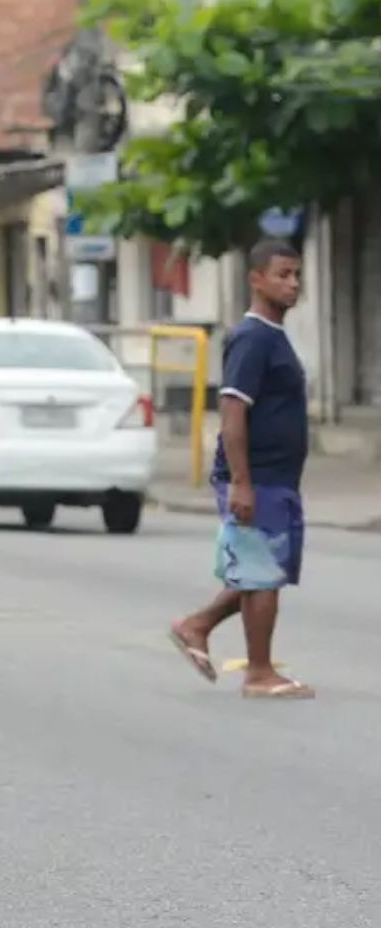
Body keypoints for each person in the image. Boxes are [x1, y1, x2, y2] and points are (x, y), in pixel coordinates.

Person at [168, 239, 313, 700]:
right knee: (262, 571)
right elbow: (232, 412)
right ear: (256, 279)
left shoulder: (272, 335)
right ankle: (259, 673)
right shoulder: (252, 338)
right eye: (282, 275)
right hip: (259, 477)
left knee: (263, 569)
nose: (292, 284)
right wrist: (242, 484)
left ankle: (196, 625)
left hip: (277, 477)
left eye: (296, 275)